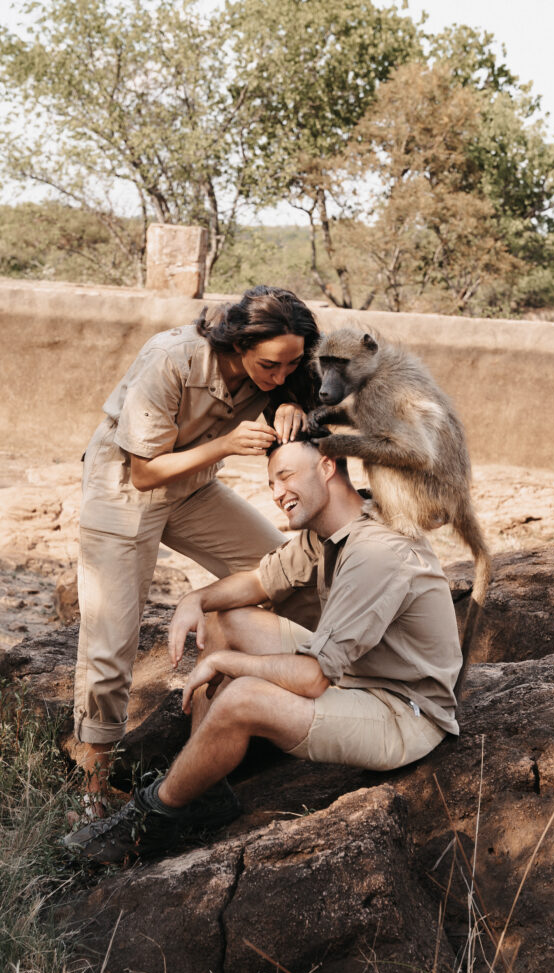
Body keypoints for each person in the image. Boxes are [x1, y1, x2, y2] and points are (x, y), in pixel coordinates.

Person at [65, 435, 463, 864]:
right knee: (225, 619)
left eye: (286, 476)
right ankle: (203, 791)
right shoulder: (337, 525)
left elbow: (312, 679)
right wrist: (195, 600)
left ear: (328, 466)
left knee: (241, 697)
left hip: (403, 712)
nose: (277, 494)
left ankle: (152, 817)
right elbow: (260, 581)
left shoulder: (375, 551)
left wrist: (223, 661)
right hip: (356, 674)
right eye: (272, 482)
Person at [73, 286, 320, 817]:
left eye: (291, 364)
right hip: (125, 488)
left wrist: (293, 406)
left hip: (195, 489)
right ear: (238, 344)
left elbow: (297, 401)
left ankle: (240, 716)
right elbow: (144, 472)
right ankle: (92, 784)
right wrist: (228, 444)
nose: (278, 375)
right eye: (270, 365)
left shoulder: (285, 373)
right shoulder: (173, 359)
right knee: (112, 635)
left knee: (286, 569)